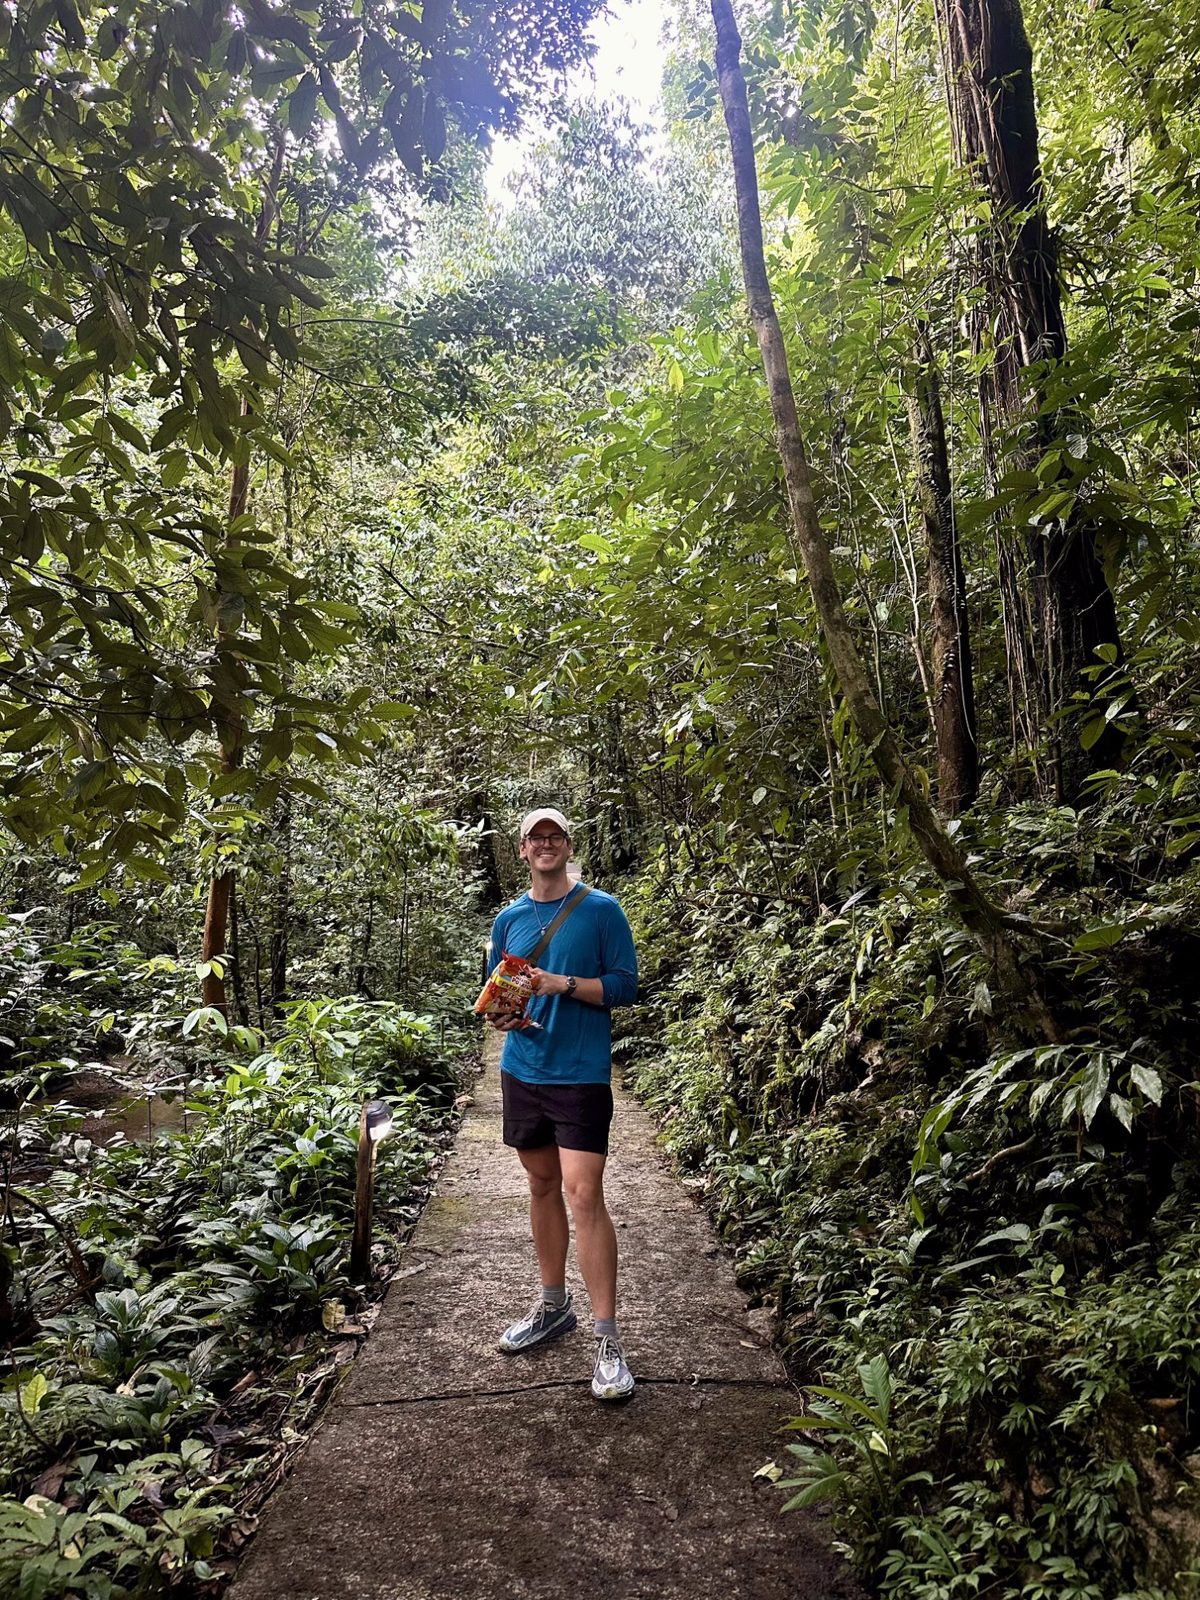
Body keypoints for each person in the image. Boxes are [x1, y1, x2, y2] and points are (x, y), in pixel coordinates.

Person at [483, 807, 638, 1401]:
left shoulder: (601, 910)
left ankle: (608, 1339)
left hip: (579, 1074)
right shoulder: (510, 918)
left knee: (582, 1193)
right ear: (521, 851)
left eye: (555, 836)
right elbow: (498, 991)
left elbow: (624, 986)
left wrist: (561, 984)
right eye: (535, 838)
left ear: (569, 846)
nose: (545, 845)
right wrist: (504, 1016)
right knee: (542, 1186)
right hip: (523, 1070)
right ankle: (553, 1308)